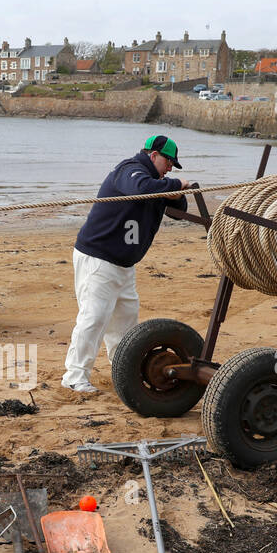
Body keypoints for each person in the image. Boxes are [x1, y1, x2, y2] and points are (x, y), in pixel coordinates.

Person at [61, 134, 191, 393]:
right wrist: (175, 184)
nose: (169, 168)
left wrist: (175, 190)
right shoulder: (130, 170)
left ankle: (122, 371)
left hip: (124, 265)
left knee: (125, 323)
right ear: (153, 156)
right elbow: (140, 189)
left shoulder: (157, 182)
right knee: (94, 317)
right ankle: (74, 377)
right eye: (168, 162)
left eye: (173, 166)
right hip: (99, 258)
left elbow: (180, 212)